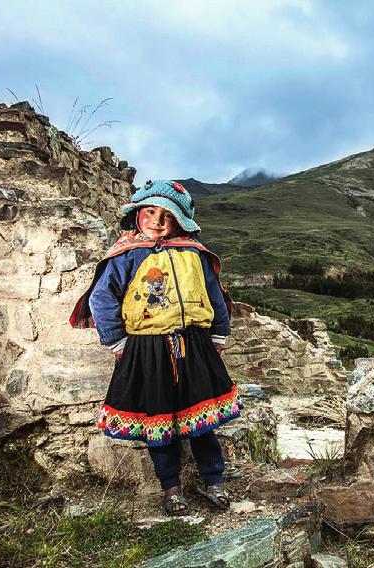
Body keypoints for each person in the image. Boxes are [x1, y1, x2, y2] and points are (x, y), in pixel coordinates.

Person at [70, 179, 242, 516]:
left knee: (202, 420)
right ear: (137, 214)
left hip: (194, 346)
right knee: (159, 423)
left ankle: (214, 479)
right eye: (150, 212)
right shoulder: (127, 255)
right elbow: (102, 298)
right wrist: (117, 340)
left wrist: (219, 334)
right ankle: (171, 488)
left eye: (167, 214)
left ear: (180, 220)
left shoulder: (195, 254)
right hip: (147, 349)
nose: (157, 220)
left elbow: (214, 295)